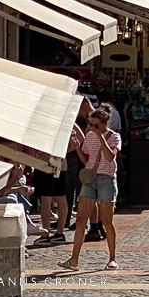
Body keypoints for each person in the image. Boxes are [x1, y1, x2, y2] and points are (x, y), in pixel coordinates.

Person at [59, 105, 121, 272]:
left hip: (106, 179)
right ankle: (74, 260)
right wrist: (78, 147)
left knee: (106, 221)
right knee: (80, 220)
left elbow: (110, 157)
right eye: (90, 124)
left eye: (95, 125)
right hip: (90, 179)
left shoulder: (114, 137)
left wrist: (101, 139)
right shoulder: (89, 136)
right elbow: (87, 161)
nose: (91, 128)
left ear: (105, 124)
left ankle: (112, 258)